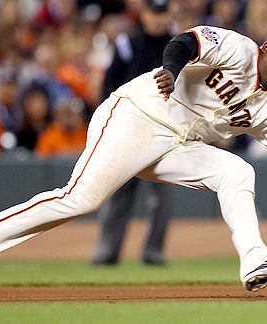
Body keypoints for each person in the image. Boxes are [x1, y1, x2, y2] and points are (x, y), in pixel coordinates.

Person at [0, 22, 267, 299]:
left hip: (177, 146)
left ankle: (254, 261)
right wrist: (171, 68)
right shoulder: (238, 48)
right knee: (79, 200)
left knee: (237, 170)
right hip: (137, 117)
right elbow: (185, 42)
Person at [91, 0, 173, 266]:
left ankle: (154, 253)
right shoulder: (127, 43)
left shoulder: (178, 46)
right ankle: (107, 252)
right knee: (118, 194)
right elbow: (109, 85)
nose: (158, 19)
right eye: (154, 12)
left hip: (164, 131)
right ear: (144, 14)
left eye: (162, 13)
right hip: (129, 130)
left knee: (162, 198)